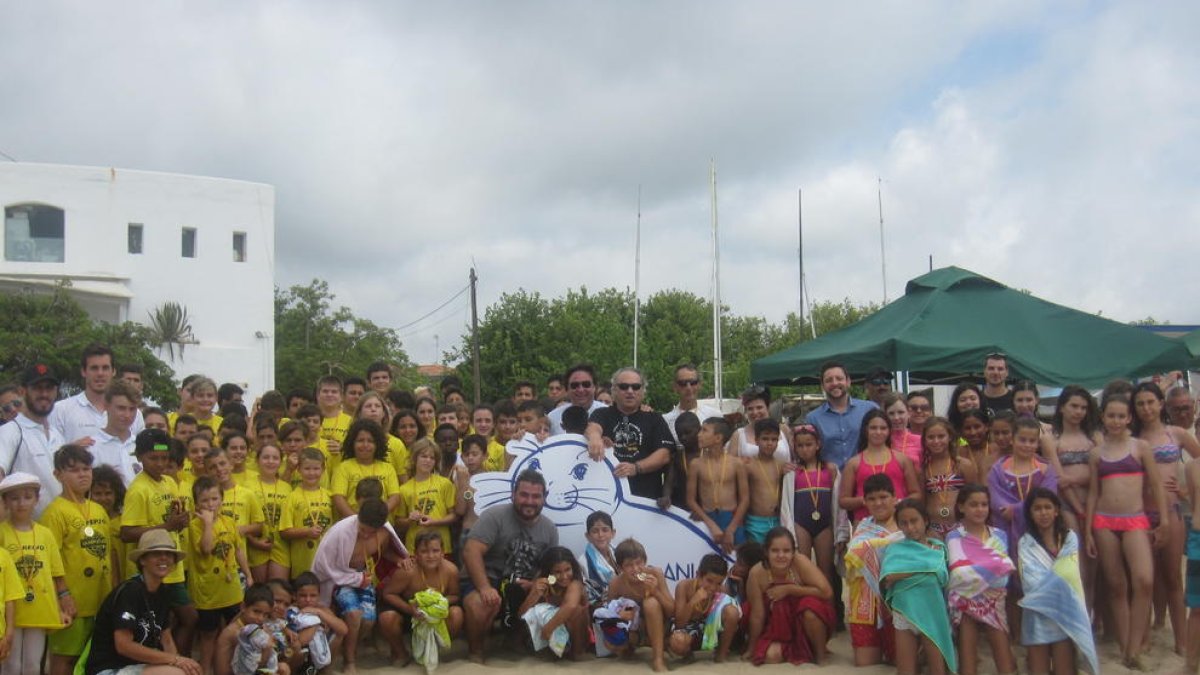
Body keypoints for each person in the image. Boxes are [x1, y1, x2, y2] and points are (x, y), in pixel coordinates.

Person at [1085, 394, 1166, 669]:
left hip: (1135, 519)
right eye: (1111, 416)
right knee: (1116, 585)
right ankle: (1126, 651)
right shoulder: (1097, 453)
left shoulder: (1141, 447)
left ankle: (1134, 646)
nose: (1116, 421)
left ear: (1129, 418)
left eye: (1121, 416)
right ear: (1103, 417)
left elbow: (1156, 486)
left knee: (1144, 580)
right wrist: (1087, 532)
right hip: (1104, 522)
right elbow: (1094, 494)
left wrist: (1163, 521)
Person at [460, 469, 558, 663]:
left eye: (536, 496)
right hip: (487, 580)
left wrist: (539, 583)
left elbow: (553, 571)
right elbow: (471, 551)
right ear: (513, 494)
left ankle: (514, 639)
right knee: (481, 603)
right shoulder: (495, 516)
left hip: (522, 587)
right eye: (524, 495)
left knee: (551, 594)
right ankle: (476, 651)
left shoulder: (550, 529)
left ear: (544, 498)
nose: (529, 501)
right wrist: (484, 587)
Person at [1131, 381, 1200, 654]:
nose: (1146, 408)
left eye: (1151, 401)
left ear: (1161, 404)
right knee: (1144, 580)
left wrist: (1186, 492)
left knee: (1173, 578)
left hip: (1171, 511)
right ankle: (1146, 637)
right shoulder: (1132, 437)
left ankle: (1181, 641)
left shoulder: (1177, 434)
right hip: (1140, 514)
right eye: (1140, 403)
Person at [310, 497, 409, 675]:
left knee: (369, 620)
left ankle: (350, 649)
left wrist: (399, 560)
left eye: (370, 533)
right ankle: (350, 661)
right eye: (362, 529)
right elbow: (323, 566)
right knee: (354, 615)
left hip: (363, 575)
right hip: (337, 578)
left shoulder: (385, 532)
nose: (365, 535)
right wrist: (355, 580)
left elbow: (384, 551)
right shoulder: (339, 532)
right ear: (358, 518)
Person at [121, 428, 198, 658]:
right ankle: (176, 663)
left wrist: (181, 520)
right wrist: (168, 526)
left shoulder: (168, 482)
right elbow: (126, 532)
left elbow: (172, 517)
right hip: (149, 568)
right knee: (186, 617)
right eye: (153, 458)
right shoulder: (138, 489)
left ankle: (174, 663)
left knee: (172, 621)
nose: (160, 463)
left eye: (164, 458)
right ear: (139, 457)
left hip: (171, 565)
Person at [41, 445, 115, 675]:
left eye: (86, 468)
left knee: (93, 658)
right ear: (58, 475)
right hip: (73, 603)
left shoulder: (98, 509)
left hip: (100, 600)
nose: (82, 474)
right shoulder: (55, 512)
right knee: (65, 659)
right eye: (73, 470)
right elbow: (49, 560)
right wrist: (63, 595)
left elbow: (109, 554)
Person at [85, 530, 201, 675]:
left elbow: (166, 639)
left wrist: (180, 661)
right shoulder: (130, 591)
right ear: (142, 560)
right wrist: (175, 660)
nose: (164, 558)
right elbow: (123, 645)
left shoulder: (164, 592)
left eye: (169, 554)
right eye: (156, 554)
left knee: (190, 670)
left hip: (139, 666)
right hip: (110, 668)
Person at [1019, 487, 1099, 675]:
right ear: (1030, 513)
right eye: (1037, 508)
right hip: (1037, 616)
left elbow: (1070, 575)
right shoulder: (1025, 542)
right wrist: (1057, 583)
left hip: (1065, 615)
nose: (1043, 513)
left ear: (1056, 511)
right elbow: (1030, 582)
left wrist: (1053, 584)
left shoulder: (1070, 538)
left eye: (1048, 507)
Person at [0, 471, 71, 673]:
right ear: (5, 502)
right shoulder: (2, 533)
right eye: (14, 498)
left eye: (27, 497)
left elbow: (54, 574)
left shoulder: (45, 534)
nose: (21, 503)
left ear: (37, 499)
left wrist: (59, 607)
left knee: (33, 663)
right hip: (11, 609)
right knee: (10, 664)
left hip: (40, 607)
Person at [880, 498, 957, 675]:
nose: (910, 527)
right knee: (905, 671)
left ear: (926, 520)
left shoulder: (938, 548)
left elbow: (942, 576)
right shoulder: (895, 549)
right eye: (904, 523)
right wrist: (926, 571)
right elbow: (888, 577)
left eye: (914, 521)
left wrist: (906, 574)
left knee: (937, 669)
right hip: (904, 613)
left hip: (932, 611)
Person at [946, 485, 1016, 675]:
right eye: (974, 504)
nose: (980, 509)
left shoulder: (999, 535)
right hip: (965, 603)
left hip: (995, 600)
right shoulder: (953, 536)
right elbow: (958, 574)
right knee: (967, 662)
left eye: (984, 504)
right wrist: (989, 570)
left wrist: (974, 571)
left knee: (1004, 659)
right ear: (961, 507)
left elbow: (1003, 576)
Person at [189, 476, 253, 674]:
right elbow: (206, 548)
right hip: (208, 592)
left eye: (214, 499)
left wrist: (248, 574)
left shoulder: (228, 521)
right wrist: (208, 524)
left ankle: (229, 667)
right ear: (196, 504)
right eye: (205, 501)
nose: (210, 504)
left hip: (231, 587)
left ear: (222, 499)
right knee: (208, 634)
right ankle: (206, 669)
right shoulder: (195, 525)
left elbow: (239, 550)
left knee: (234, 629)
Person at [745, 527, 834, 665]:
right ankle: (796, 649)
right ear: (766, 552)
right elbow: (757, 614)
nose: (781, 555)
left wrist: (790, 589)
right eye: (775, 551)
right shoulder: (756, 573)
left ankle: (820, 654)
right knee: (770, 657)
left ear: (793, 552)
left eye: (786, 551)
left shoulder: (801, 562)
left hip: (806, 622)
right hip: (776, 628)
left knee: (810, 609)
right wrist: (751, 648)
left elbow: (826, 592)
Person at [585, 367, 676, 502]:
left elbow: (664, 455)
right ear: (614, 391)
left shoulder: (655, 419)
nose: (630, 391)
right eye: (623, 386)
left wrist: (636, 468)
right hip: (606, 498)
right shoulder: (601, 414)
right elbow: (593, 427)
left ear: (643, 391)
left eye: (635, 387)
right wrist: (594, 437)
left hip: (645, 499)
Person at [378, 530, 463, 667]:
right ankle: (400, 653)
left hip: (435, 616)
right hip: (409, 614)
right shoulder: (407, 571)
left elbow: (455, 595)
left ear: (443, 552)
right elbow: (388, 594)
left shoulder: (451, 570)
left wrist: (439, 604)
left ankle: (435, 649)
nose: (431, 556)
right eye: (424, 551)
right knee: (387, 617)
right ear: (416, 554)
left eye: (435, 551)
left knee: (457, 614)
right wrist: (409, 609)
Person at [844, 474, 903, 667]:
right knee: (866, 663)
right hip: (866, 600)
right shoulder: (864, 526)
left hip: (899, 599)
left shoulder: (907, 522)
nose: (878, 503)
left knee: (900, 661)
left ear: (894, 497)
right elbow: (854, 555)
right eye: (872, 499)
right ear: (865, 502)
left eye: (883, 497)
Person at [0, 362, 67, 515]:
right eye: (37, 388)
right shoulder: (11, 431)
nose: (44, 394)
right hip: (21, 534)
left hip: (56, 532)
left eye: (49, 388)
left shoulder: (58, 436)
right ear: (23, 391)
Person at [988, 417, 1056, 563]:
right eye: (1022, 440)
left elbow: (1049, 497)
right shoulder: (998, 469)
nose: (1027, 445)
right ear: (1012, 439)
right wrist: (1007, 509)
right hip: (1007, 531)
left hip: (1038, 529)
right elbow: (994, 497)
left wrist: (1017, 509)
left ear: (1038, 443)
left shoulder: (1045, 470)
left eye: (1032, 441)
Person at [780, 424, 839, 587]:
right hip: (801, 526)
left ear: (818, 445)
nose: (805, 449)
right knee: (801, 569)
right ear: (794, 447)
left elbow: (837, 504)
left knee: (826, 571)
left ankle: (828, 610)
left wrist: (840, 531)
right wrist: (788, 530)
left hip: (824, 526)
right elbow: (786, 505)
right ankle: (804, 607)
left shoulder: (830, 470)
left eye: (809, 444)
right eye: (800, 445)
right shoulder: (792, 473)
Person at [602, 538, 673, 672]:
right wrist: (619, 616)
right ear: (620, 567)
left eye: (639, 563)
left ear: (645, 561)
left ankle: (658, 659)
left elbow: (672, 612)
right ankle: (632, 648)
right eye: (629, 565)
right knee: (609, 643)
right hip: (637, 630)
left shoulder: (655, 573)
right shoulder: (616, 584)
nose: (635, 569)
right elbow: (608, 618)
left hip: (662, 626)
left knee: (650, 603)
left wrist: (656, 591)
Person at [840, 409, 920, 523]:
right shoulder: (854, 463)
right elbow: (843, 501)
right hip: (865, 523)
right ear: (865, 430)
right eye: (873, 428)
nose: (878, 432)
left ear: (889, 431)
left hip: (898, 522)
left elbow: (916, 494)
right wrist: (866, 500)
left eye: (883, 428)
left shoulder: (902, 459)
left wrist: (899, 502)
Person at [687, 417, 748, 553]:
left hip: (732, 518)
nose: (699, 434)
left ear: (718, 438)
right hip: (707, 518)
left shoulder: (736, 463)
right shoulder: (696, 464)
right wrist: (711, 524)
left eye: (704, 430)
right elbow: (690, 500)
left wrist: (731, 529)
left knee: (736, 561)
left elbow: (745, 499)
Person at [805, 361, 879, 469]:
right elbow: (808, 452)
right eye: (829, 380)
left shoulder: (870, 409)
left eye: (839, 378)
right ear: (822, 386)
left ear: (848, 381)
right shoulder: (813, 418)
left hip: (865, 476)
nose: (835, 383)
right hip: (831, 480)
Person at [519, 546, 588, 659]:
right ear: (549, 572)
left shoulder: (575, 583)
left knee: (577, 610)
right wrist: (534, 595)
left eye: (567, 570)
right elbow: (522, 615)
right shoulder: (542, 582)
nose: (564, 576)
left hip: (573, 635)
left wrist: (548, 629)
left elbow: (570, 606)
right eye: (557, 572)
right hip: (549, 639)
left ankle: (577, 653)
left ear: (573, 568)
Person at [670, 553, 741, 663]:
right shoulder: (684, 587)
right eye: (709, 581)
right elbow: (679, 624)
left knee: (732, 612)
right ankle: (688, 653)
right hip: (690, 632)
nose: (713, 587)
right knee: (677, 642)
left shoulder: (722, 590)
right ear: (698, 575)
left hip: (711, 632)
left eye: (718, 583)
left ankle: (720, 655)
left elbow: (732, 619)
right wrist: (693, 601)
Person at [331, 419, 401, 519]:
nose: (365, 445)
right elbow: (338, 498)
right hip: (352, 524)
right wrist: (358, 520)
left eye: (370, 441)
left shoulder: (388, 468)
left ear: (377, 444)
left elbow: (395, 497)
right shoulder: (343, 467)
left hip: (381, 523)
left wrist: (378, 515)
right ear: (352, 443)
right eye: (360, 440)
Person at [396, 440, 457, 554]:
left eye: (432, 458)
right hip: (415, 548)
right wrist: (409, 520)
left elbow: (453, 515)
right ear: (414, 459)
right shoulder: (404, 489)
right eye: (423, 456)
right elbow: (398, 522)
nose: (428, 460)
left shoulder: (445, 483)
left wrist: (435, 522)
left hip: (441, 546)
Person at [281, 448, 333, 579]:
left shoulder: (330, 496)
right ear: (298, 469)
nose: (312, 473)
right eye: (307, 469)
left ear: (323, 469)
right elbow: (284, 532)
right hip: (302, 563)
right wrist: (307, 532)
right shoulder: (292, 497)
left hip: (328, 562)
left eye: (316, 469)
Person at [922, 417, 978, 538]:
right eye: (931, 437)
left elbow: (975, 497)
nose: (936, 441)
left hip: (961, 527)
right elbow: (922, 502)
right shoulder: (924, 469)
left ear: (950, 437)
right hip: (933, 529)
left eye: (941, 436)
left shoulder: (963, 465)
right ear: (925, 440)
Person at [214, 584, 282, 675]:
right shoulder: (232, 633)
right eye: (256, 611)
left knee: (283, 668)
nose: (260, 618)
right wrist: (266, 652)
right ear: (243, 607)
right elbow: (221, 671)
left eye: (265, 615)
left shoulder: (260, 628)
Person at [288, 572, 348, 675]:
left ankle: (325, 671)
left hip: (320, 654)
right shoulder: (291, 611)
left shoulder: (321, 609)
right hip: (300, 658)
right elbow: (301, 641)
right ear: (294, 596)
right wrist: (316, 623)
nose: (308, 600)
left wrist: (319, 613)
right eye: (303, 595)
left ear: (319, 596)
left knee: (337, 634)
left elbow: (343, 630)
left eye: (313, 596)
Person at [249, 444, 293, 582]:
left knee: (278, 588)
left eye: (275, 458)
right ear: (257, 460)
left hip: (280, 544)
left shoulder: (287, 488)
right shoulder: (247, 486)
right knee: (259, 591)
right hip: (255, 543)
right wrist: (254, 542)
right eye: (266, 457)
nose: (270, 461)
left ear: (281, 461)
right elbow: (242, 520)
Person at [90, 380, 142, 484]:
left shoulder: (142, 444)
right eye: (121, 408)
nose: (127, 415)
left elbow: (165, 449)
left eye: (132, 409)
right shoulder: (91, 447)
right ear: (106, 406)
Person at [744, 418, 785, 542]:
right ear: (756, 440)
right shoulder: (748, 465)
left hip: (778, 521)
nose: (769, 443)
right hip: (755, 524)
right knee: (757, 559)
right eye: (765, 439)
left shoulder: (782, 465)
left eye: (774, 439)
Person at [661, 364, 723, 444]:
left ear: (700, 384)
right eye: (683, 383)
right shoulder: (665, 421)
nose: (688, 387)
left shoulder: (715, 416)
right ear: (675, 387)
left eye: (693, 382)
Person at [728, 385, 791, 462]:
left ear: (767, 408)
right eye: (750, 409)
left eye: (759, 407)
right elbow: (729, 465)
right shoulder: (738, 435)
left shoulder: (783, 430)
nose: (755, 412)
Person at [549, 364, 607, 436]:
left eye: (586, 384)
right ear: (567, 389)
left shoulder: (608, 414)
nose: (581, 390)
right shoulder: (553, 418)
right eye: (575, 385)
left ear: (595, 387)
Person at [578, 511, 617, 608]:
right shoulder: (583, 562)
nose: (600, 535)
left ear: (613, 533)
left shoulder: (620, 552)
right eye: (595, 531)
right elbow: (587, 595)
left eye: (605, 530)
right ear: (588, 536)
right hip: (601, 606)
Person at [315, 376, 352, 475]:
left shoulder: (351, 422)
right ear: (318, 395)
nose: (329, 395)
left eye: (334, 392)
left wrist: (343, 448)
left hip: (341, 474)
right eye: (325, 391)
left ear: (341, 396)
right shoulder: (309, 420)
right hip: (313, 474)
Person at [882, 393, 922, 466]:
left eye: (901, 412)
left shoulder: (920, 441)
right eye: (891, 413)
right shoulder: (881, 440)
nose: (896, 417)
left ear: (909, 413)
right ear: (885, 415)